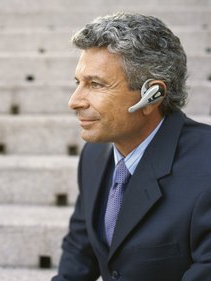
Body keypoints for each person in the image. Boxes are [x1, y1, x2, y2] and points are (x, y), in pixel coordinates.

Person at [52, 12, 211, 281]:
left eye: (95, 84)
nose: (75, 101)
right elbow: (79, 254)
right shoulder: (94, 155)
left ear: (153, 96)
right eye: (78, 83)